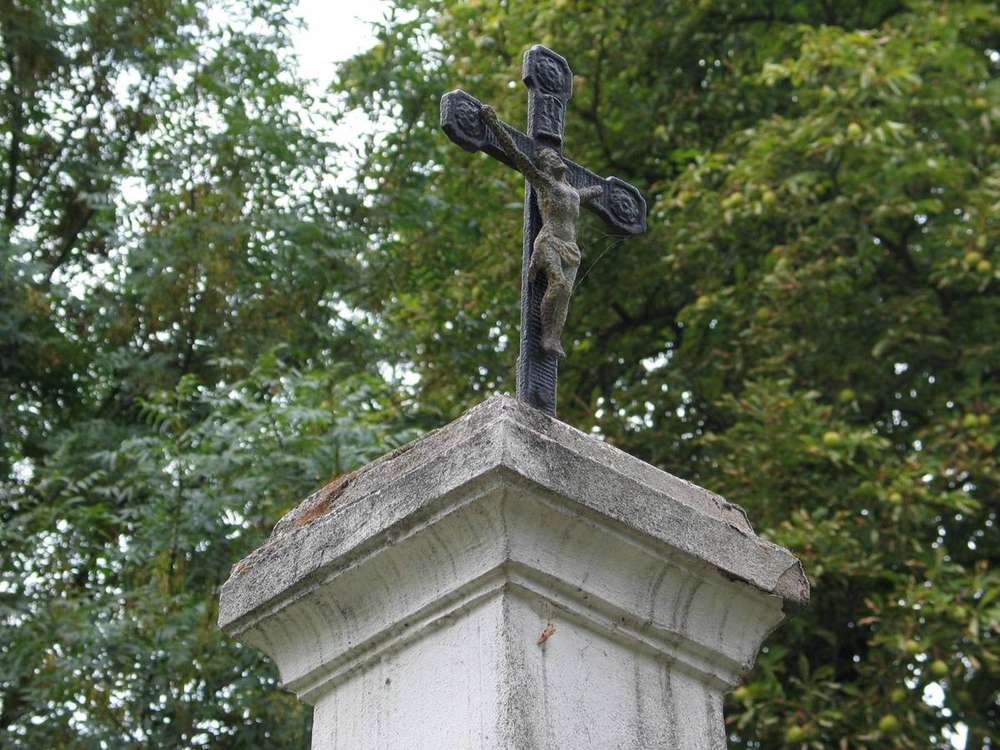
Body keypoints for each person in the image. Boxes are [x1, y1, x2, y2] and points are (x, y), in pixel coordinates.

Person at [480, 104, 603, 357]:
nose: (558, 158)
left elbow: (589, 194)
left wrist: (603, 190)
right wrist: (493, 124)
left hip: (571, 248)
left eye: (557, 157)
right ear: (545, 165)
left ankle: (555, 338)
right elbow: (516, 154)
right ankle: (547, 336)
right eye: (551, 158)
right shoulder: (544, 182)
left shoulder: (573, 192)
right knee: (557, 284)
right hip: (550, 240)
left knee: (566, 292)